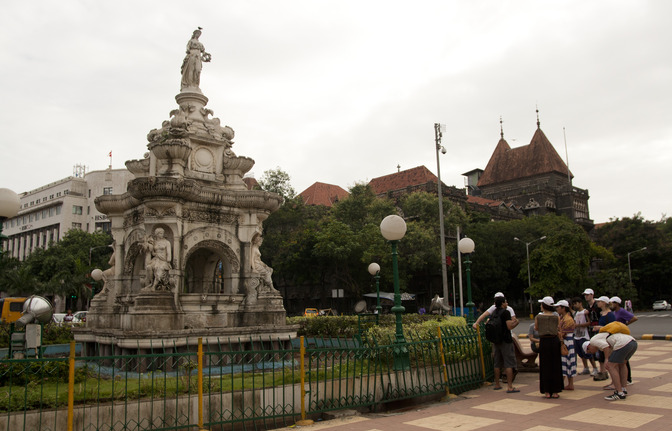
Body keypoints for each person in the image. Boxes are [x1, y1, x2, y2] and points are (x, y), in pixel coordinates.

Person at [584, 331, 638, 401]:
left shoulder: (593, 341)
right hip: (632, 342)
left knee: (611, 366)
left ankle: (619, 393)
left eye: (590, 351)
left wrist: (606, 360)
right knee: (622, 364)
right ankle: (623, 389)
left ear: (588, 347)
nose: (593, 353)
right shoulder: (600, 339)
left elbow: (606, 347)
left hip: (622, 343)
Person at [489, 297, 520, 392]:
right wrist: (516, 323)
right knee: (508, 363)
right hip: (506, 340)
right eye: (505, 302)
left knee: (497, 363)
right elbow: (509, 326)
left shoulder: (494, 312)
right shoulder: (505, 313)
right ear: (503, 303)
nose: (507, 303)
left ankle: (497, 384)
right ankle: (510, 386)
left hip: (496, 340)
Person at [535, 296, 563, 398]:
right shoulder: (556, 317)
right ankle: (555, 391)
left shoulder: (538, 317)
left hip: (544, 341)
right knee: (555, 365)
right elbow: (559, 328)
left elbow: (536, 328)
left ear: (544, 305)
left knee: (545, 365)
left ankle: (547, 391)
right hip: (554, 340)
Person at [610, 296, 637, 384]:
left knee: (624, 358)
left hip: (622, 336)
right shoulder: (614, 312)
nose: (610, 305)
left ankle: (628, 378)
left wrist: (625, 325)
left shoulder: (621, 311)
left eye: (612, 303)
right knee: (620, 358)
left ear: (616, 303)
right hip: (616, 336)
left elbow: (634, 318)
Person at [571, 297, 598, 375]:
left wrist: (578, 325)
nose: (575, 306)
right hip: (577, 335)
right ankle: (586, 367)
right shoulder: (575, 313)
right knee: (581, 353)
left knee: (588, 352)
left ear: (580, 303)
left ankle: (595, 368)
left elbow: (589, 323)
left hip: (584, 335)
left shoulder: (585, 312)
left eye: (576, 304)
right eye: (574, 304)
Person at [555, 300, 577, 390]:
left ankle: (563, 383)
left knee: (565, 362)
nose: (557, 309)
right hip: (567, 341)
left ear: (563, 308)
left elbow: (563, 333)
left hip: (567, 341)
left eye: (558, 307)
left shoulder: (567, 319)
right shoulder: (563, 318)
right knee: (568, 362)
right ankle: (569, 383)